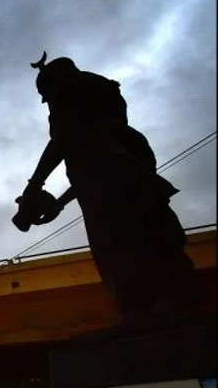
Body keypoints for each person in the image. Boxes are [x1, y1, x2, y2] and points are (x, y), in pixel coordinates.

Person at [15, 53, 205, 324]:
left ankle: (147, 305)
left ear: (53, 87)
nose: (48, 104)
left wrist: (34, 186)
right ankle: (161, 298)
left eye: (46, 97)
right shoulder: (109, 104)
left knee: (117, 241)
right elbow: (93, 173)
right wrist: (60, 203)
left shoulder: (68, 94)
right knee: (144, 227)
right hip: (121, 172)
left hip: (107, 182)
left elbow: (63, 141)